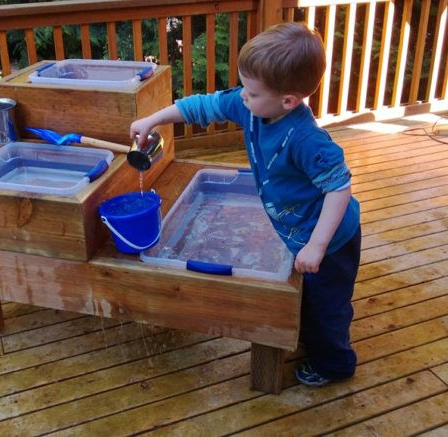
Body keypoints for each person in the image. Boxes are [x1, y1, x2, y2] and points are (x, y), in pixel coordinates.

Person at [130, 22, 361, 387]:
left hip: (331, 240)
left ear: (289, 100)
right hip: (298, 230)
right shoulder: (252, 107)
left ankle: (335, 364)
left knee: (328, 307)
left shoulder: (306, 139)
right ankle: (305, 331)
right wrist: (153, 119)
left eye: (251, 92)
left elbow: (339, 188)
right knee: (304, 298)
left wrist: (317, 246)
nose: (241, 97)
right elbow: (201, 106)